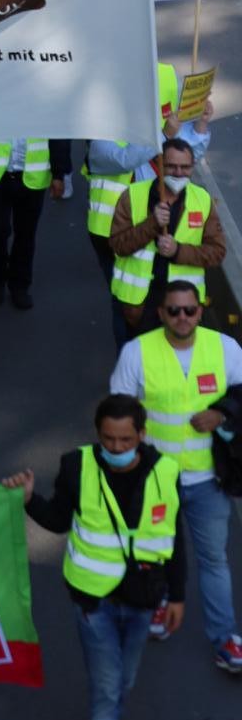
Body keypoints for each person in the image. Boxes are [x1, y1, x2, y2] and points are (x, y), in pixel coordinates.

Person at [4, 395, 186, 720]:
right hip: (93, 602)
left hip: (143, 600)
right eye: (108, 440)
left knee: (125, 681)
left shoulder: (167, 472)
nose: (116, 449)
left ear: (142, 434)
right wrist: (30, 500)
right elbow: (57, 521)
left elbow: (174, 539)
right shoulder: (76, 466)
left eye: (125, 440)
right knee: (106, 690)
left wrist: (177, 596)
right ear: (97, 434)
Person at [110, 281, 242, 671]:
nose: (182, 317)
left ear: (200, 311)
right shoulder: (137, 352)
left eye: (189, 310)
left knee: (213, 559)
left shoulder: (225, 349)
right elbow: (118, 409)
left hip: (207, 479)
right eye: (174, 311)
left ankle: (224, 639)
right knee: (154, 553)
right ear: (161, 313)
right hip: (155, 480)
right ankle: (159, 605)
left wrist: (222, 415)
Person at [108, 136, 225, 343]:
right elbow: (118, 245)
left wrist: (178, 251)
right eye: (172, 167)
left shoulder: (203, 200)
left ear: (192, 167)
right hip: (139, 307)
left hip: (183, 309)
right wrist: (151, 224)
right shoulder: (132, 195)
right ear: (159, 165)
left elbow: (217, 252)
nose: (179, 173)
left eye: (185, 168)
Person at [0, 137, 72, 311]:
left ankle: (20, 285)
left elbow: (57, 131)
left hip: (32, 172)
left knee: (26, 234)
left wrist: (58, 173)